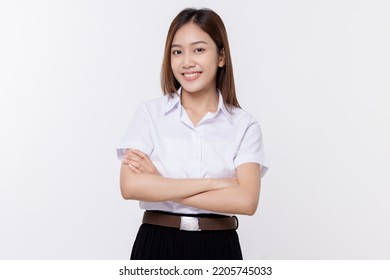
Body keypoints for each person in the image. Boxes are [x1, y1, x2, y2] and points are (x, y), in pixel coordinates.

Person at [117, 7, 268, 260]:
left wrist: (161, 182)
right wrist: (215, 183)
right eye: (177, 52)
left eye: (198, 49)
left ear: (221, 56)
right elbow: (130, 186)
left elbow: (246, 201)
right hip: (156, 243)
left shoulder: (244, 125)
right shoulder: (149, 114)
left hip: (219, 247)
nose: (187, 61)